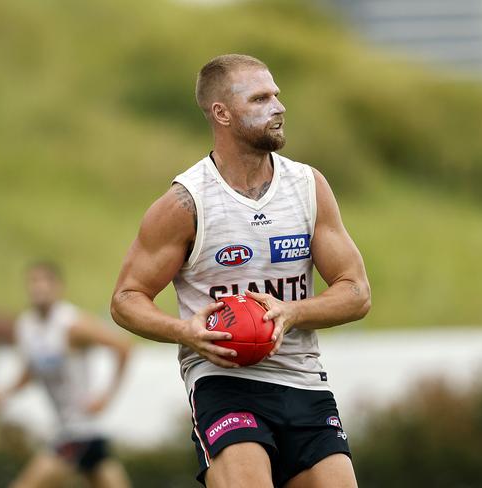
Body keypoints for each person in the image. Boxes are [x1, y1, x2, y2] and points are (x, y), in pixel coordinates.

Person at [111, 54, 371, 488]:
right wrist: (186, 331)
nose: (278, 106)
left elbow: (357, 292)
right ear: (222, 114)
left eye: (277, 95)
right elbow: (125, 299)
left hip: (303, 381)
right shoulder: (184, 203)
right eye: (260, 98)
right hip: (223, 384)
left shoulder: (309, 187)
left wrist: (291, 313)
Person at [0, 261, 132, 488]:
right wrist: (6, 392)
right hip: (71, 429)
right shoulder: (26, 327)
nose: (40, 287)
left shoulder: (72, 324)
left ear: (58, 287)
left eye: (46, 281)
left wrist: (106, 396)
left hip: (79, 432)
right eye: (34, 281)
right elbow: (32, 370)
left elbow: (124, 347)